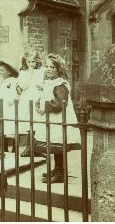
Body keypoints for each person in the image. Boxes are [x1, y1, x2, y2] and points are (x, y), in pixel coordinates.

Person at [32, 54, 80, 183]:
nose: (48, 69)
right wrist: (39, 102)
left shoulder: (60, 84)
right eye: (47, 66)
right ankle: (58, 168)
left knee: (58, 144)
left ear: (58, 69)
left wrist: (45, 108)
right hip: (52, 119)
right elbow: (47, 96)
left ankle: (61, 173)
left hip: (59, 119)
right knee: (54, 145)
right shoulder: (50, 83)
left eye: (52, 67)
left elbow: (60, 103)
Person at [0, 59, 20, 152]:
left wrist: (14, 100)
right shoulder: (0, 80)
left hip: (11, 106)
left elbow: (17, 92)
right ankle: (4, 148)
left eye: (2, 70)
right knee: (2, 126)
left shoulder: (14, 81)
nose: (0, 72)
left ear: (9, 72)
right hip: (1, 106)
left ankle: (15, 148)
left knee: (12, 127)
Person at [17, 47, 45, 132]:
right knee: (27, 117)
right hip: (27, 96)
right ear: (25, 62)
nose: (31, 64)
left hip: (37, 95)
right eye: (28, 62)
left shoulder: (41, 71)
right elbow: (23, 86)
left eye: (33, 61)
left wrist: (43, 86)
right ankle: (28, 135)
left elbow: (44, 82)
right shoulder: (23, 72)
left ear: (37, 61)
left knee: (37, 117)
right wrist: (30, 74)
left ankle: (36, 135)